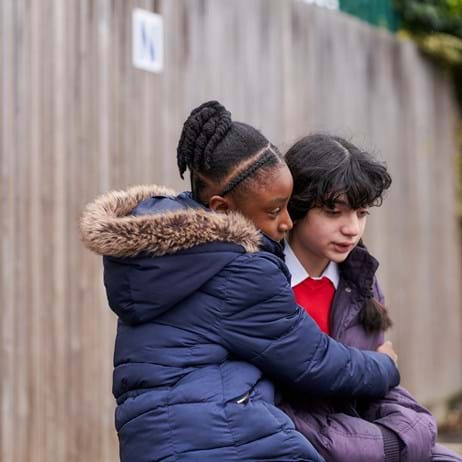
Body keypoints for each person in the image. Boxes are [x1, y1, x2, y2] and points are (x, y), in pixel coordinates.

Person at [80, 101, 399, 462]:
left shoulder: (168, 257)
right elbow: (315, 361)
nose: (286, 223)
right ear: (221, 209)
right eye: (274, 211)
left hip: (154, 440)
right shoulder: (241, 270)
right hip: (220, 438)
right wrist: (385, 365)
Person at [281, 133, 462, 462]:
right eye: (333, 212)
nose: (351, 228)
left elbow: (381, 390)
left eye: (361, 213)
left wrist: (403, 434)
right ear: (296, 207)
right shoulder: (262, 285)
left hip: (363, 436)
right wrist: (386, 444)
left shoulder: (360, 279)